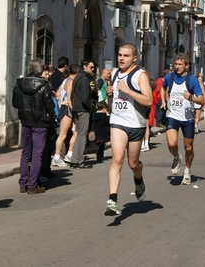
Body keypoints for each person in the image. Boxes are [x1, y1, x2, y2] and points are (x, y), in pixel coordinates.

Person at [104, 43, 152, 216]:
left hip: (136, 124)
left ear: (134, 58)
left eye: (126, 56)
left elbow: (148, 101)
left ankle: (138, 179)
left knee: (133, 163)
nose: (122, 58)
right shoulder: (115, 73)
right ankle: (112, 201)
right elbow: (113, 101)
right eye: (120, 55)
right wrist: (110, 95)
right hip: (117, 121)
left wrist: (128, 90)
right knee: (117, 159)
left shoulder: (140, 75)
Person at [12, 59, 55, 194]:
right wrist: (52, 118)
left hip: (25, 121)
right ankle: (32, 185)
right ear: (41, 70)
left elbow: (15, 103)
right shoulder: (44, 85)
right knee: (37, 154)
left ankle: (23, 183)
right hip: (40, 122)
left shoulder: (19, 84)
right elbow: (50, 106)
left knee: (25, 153)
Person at [161, 53, 205, 185]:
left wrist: (191, 98)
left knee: (189, 148)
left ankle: (187, 171)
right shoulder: (170, 77)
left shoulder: (192, 80)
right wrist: (163, 101)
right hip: (172, 115)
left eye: (180, 64)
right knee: (172, 143)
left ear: (186, 65)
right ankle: (176, 157)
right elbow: (163, 88)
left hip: (187, 118)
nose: (177, 67)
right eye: (176, 64)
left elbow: (202, 100)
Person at [51, 64, 79, 167]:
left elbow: (58, 93)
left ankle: (69, 154)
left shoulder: (65, 80)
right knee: (63, 134)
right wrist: (74, 110)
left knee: (75, 133)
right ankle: (57, 157)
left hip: (65, 108)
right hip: (67, 108)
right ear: (77, 72)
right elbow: (69, 99)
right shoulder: (70, 82)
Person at [69, 59, 96, 169]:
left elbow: (73, 94)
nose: (93, 69)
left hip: (77, 108)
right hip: (83, 109)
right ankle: (78, 160)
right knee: (82, 135)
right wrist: (91, 106)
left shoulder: (78, 77)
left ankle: (75, 160)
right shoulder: (84, 79)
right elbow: (85, 98)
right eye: (91, 67)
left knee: (79, 134)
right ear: (84, 67)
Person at [141, 78, 157, 152]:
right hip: (149, 108)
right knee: (147, 126)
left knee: (141, 125)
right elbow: (155, 101)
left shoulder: (144, 89)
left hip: (143, 106)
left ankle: (142, 144)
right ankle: (146, 144)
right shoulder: (152, 91)